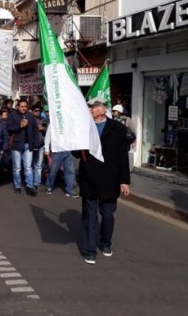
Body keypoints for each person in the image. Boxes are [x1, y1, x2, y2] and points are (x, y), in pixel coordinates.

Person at [74, 97, 130, 265]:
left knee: (107, 215)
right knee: (89, 216)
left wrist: (124, 181)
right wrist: (77, 148)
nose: (90, 109)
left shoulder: (118, 129)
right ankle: (90, 251)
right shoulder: (83, 127)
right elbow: (76, 153)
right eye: (89, 107)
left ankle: (106, 243)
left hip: (110, 178)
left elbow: (122, 156)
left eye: (93, 107)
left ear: (103, 109)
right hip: (89, 177)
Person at [7, 99, 42, 196]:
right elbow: (9, 128)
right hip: (16, 145)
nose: (23, 108)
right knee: (17, 168)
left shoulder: (30, 116)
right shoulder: (13, 115)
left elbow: (35, 130)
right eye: (21, 106)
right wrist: (20, 126)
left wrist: (36, 143)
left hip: (28, 145)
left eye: (25, 106)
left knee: (28, 167)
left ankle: (29, 186)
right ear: (18, 106)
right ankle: (17, 185)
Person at [31, 103, 47, 191]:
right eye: (35, 111)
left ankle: (37, 183)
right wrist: (37, 128)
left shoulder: (43, 119)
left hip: (41, 144)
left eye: (39, 111)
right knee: (30, 165)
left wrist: (43, 129)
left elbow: (48, 131)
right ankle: (30, 182)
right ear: (32, 111)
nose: (37, 112)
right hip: (32, 144)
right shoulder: (30, 119)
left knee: (38, 165)